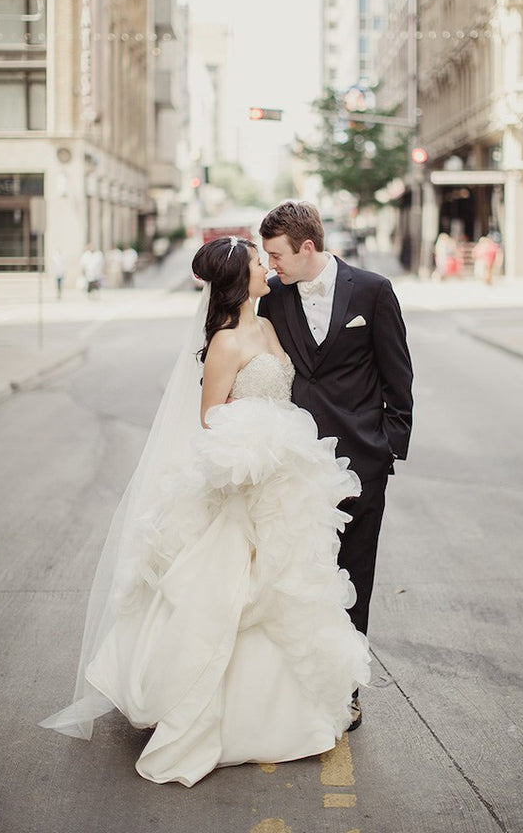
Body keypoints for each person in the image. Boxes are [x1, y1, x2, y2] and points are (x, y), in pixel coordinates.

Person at [40, 235, 369, 787]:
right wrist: (257, 445)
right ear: (240, 280)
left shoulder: (268, 327)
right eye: (259, 263)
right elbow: (211, 417)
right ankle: (216, 712)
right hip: (244, 482)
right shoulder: (224, 342)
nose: (267, 269)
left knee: (286, 587)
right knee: (229, 596)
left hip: (283, 481)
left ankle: (288, 711)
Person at [258, 201, 413, 732]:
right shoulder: (272, 297)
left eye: (277, 255)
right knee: (300, 575)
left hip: (361, 461)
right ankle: (296, 686)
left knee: (354, 576)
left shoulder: (372, 291)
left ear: (308, 247)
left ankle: (345, 689)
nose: (271, 264)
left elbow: (398, 374)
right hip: (294, 463)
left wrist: (388, 447)